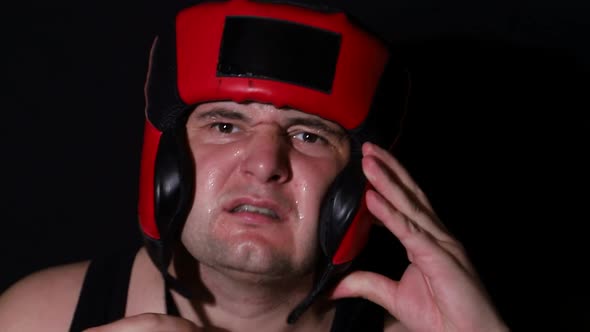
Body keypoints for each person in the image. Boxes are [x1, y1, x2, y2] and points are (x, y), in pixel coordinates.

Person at [0, 0, 509, 331]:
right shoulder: (36, 317)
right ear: (168, 159)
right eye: (225, 125)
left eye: (308, 136)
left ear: (356, 189)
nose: (266, 164)